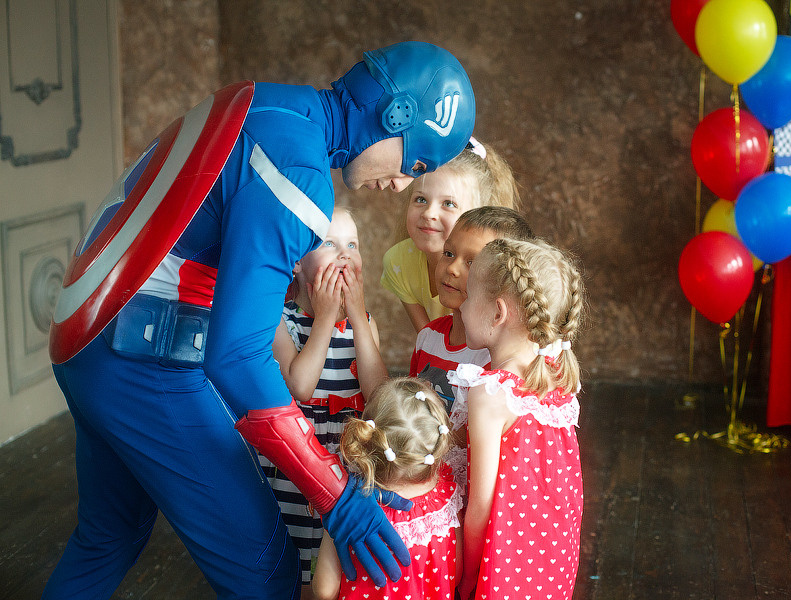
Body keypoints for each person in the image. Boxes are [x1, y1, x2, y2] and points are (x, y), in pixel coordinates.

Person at [45, 41, 475, 599]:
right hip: (140, 352)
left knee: (109, 536)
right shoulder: (298, 170)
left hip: (84, 335)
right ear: (394, 116)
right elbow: (236, 356)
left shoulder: (266, 103)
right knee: (267, 572)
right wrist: (335, 494)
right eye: (413, 165)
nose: (400, 185)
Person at [450, 238, 585, 600]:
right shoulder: (556, 376)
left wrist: (466, 576)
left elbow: (479, 508)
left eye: (468, 296)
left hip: (503, 566)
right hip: (551, 562)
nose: (461, 306)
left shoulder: (491, 393)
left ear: (497, 314)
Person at [262, 207, 387, 591]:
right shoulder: (280, 321)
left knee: (335, 570)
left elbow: (378, 395)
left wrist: (357, 317)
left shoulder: (364, 322)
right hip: (300, 457)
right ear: (297, 261)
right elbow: (300, 386)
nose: (345, 254)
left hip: (347, 457)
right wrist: (324, 320)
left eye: (353, 245)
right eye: (330, 244)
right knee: (298, 562)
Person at [311, 378, 462, 600]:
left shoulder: (348, 507)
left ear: (368, 438)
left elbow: (324, 590)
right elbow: (455, 574)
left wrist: (332, 522)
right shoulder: (448, 499)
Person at [381, 139, 520, 332]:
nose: (429, 213)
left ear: (478, 214)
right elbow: (428, 340)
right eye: (421, 199)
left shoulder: (489, 274)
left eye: (449, 204)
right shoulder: (398, 262)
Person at [409, 206, 534, 413]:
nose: (452, 268)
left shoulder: (497, 358)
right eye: (449, 253)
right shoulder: (428, 336)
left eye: (472, 262)